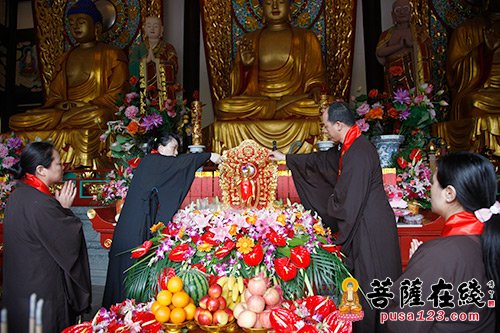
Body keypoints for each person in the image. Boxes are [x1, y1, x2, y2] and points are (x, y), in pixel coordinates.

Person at [270, 102, 402, 332]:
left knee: (372, 281)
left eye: (326, 125)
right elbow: (321, 162)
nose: (325, 130)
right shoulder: (348, 146)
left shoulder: (359, 152)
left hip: (370, 226)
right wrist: (286, 158)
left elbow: (348, 198)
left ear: (339, 125)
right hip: (363, 220)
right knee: (363, 281)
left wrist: (330, 208)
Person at [102, 133, 223, 307]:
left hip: (138, 218)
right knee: (129, 264)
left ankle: (132, 307)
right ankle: (124, 307)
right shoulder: (152, 160)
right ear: (159, 147)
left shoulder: (154, 163)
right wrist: (208, 156)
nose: (175, 154)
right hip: (135, 221)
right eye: (173, 148)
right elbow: (178, 164)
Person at [384, 152, 498, 332]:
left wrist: (424, 264)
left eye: (433, 184)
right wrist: (423, 268)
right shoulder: (489, 240)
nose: (430, 189)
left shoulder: (439, 255)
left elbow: (403, 322)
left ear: (449, 193)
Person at [9, 0, 129, 168]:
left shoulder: (112, 54)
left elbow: (117, 95)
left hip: (90, 112)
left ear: (97, 27)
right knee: (17, 120)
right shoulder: (65, 57)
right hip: (63, 113)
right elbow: (55, 95)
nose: (75, 27)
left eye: (81, 22)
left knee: (99, 117)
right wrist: (61, 104)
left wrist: (85, 105)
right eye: (72, 23)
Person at [212, 0, 326, 153]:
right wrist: (245, 68)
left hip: (294, 101)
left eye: (280, 2)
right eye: (268, 3)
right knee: (223, 107)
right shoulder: (249, 39)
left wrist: (315, 88)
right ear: (260, 9)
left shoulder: (306, 37)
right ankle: (276, 107)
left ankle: (276, 108)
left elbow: (316, 75)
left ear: (290, 6)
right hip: (261, 101)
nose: (274, 7)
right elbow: (237, 89)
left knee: (324, 105)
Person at [2, 142, 91, 332]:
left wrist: (57, 208)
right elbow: (67, 240)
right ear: (41, 169)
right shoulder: (41, 203)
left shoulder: (18, 195)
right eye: (58, 163)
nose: (63, 166)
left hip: (22, 285)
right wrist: (64, 210)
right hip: (43, 287)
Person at [447, 1, 500, 121]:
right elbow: (453, 75)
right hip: (484, 91)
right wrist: (483, 50)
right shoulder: (465, 31)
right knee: (473, 101)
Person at [376, 0, 431, 95]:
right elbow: (380, 52)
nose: (402, 12)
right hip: (394, 76)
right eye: (398, 10)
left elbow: (427, 49)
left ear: (411, 12)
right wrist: (399, 46)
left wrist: (414, 45)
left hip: (414, 75)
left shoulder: (419, 31)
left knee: (415, 100)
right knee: (394, 103)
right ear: (393, 15)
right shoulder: (387, 34)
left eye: (405, 9)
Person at [129, 16, 178, 99]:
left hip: (163, 92)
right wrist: (145, 61)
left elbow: (174, 66)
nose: (152, 28)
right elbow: (132, 66)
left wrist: (156, 61)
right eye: (148, 26)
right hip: (143, 91)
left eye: (155, 26)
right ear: (144, 28)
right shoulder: (138, 48)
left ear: (161, 29)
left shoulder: (169, 48)